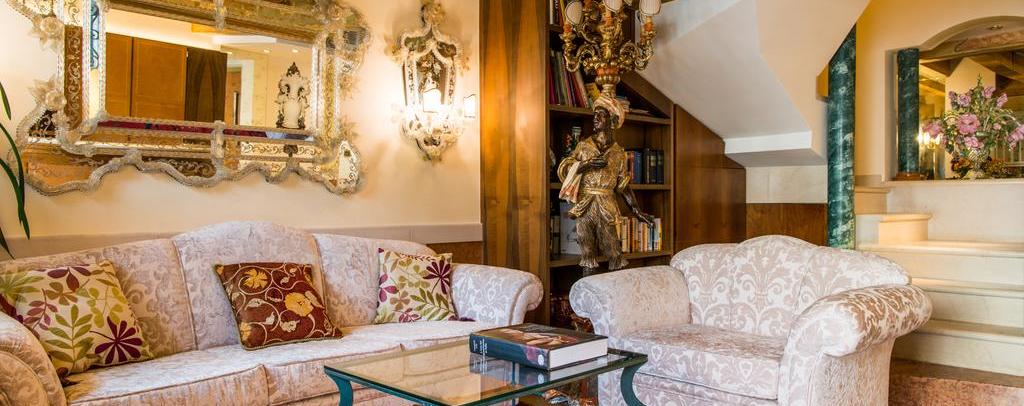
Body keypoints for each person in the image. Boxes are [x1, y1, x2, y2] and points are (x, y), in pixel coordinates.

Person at [557, 94, 653, 275]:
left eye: (601, 115)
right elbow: (565, 169)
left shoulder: (618, 153)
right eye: (595, 115)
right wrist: (585, 164)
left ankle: (615, 289)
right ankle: (587, 290)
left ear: (613, 120)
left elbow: (623, 186)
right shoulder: (583, 146)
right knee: (587, 256)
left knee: (615, 253)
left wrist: (637, 211)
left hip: (607, 207)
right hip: (584, 206)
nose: (595, 119)